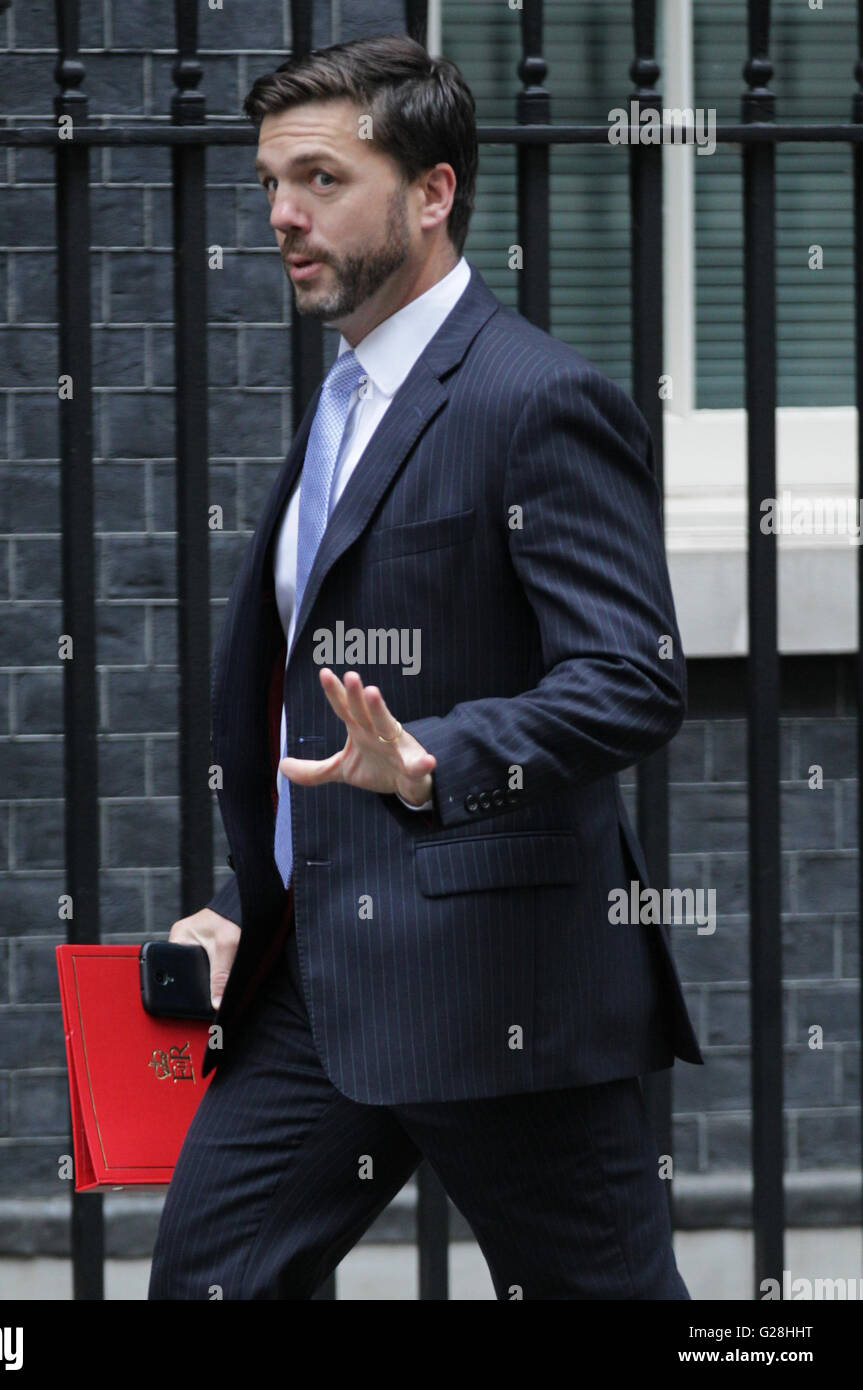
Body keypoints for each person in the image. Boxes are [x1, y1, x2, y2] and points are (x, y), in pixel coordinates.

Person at [148, 32, 702, 1301]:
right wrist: (253, 901)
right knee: (206, 1281)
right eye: (271, 183)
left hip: (497, 983)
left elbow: (633, 672)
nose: (283, 214)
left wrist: (436, 756)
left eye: (322, 179)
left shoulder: (534, 398)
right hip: (313, 983)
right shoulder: (344, 400)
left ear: (434, 191)